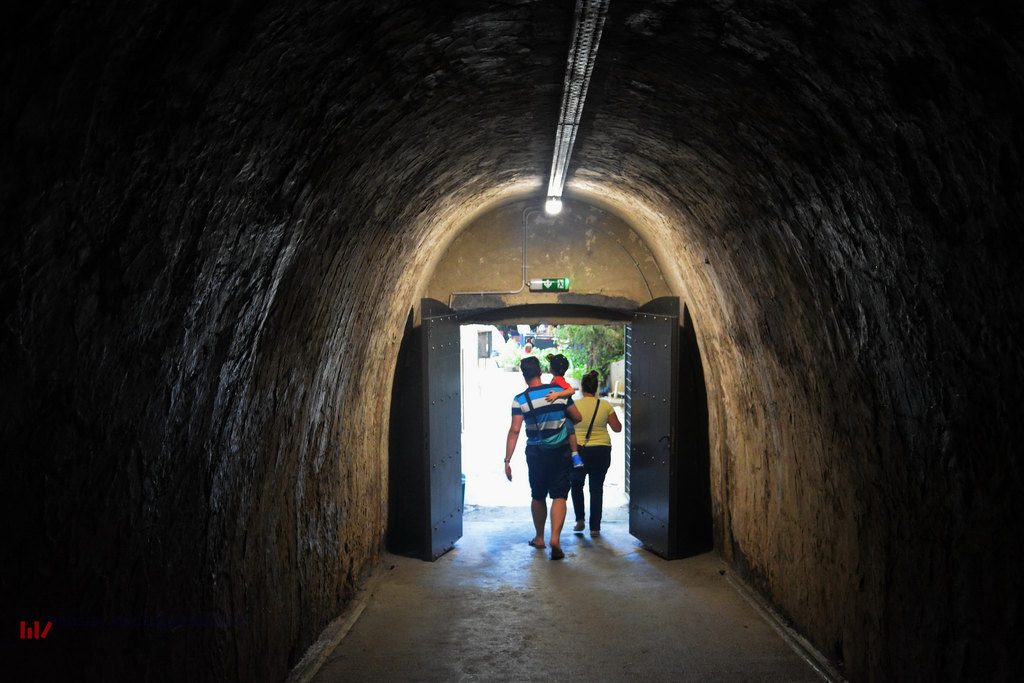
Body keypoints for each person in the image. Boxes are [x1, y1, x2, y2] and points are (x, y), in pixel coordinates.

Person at [504, 356, 582, 560]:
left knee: (538, 494)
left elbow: (514, 430)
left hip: (536, 451)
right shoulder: (557, 393)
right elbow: (577, 417)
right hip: (560, 449)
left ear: (524, 376)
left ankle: (540, 537)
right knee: (559, 494)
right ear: (540, 371)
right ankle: (555, 538)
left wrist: (507, 460)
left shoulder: (520, 399)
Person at [570, 370, 622, 536]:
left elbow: (567, 428)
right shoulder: (605, 405)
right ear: (596, 387)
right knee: (596, 488)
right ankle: (595, 528)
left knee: (577, 485)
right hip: (601, 450)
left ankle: (580, 520)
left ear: (582, 387)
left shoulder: (574, 405)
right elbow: (617, 428)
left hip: (579, 451)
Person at [544, 354, 582, 468]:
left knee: (570, 431)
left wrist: (557, 394)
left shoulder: (559, 380)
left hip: (564, 412)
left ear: (551, 368)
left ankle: (575, 455)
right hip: (561, 410)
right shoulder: (556, 379)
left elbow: (571, 390)